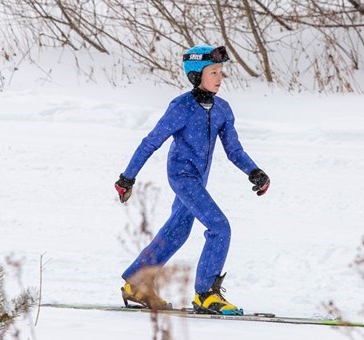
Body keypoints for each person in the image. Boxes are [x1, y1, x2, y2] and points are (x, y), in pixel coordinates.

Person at [115, 45, 270, 315]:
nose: (219, 78)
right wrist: (127, 177)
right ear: (196, 75)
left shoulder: (222, 109)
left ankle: (137, 283)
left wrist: (254, 171)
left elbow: (234, 150)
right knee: (220, 227)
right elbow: (151, 142)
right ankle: (207, 293)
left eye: (221, 71)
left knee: (177, 231)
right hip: (182, 176)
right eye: (213, 72)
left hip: (200, 179)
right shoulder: (182, 107)